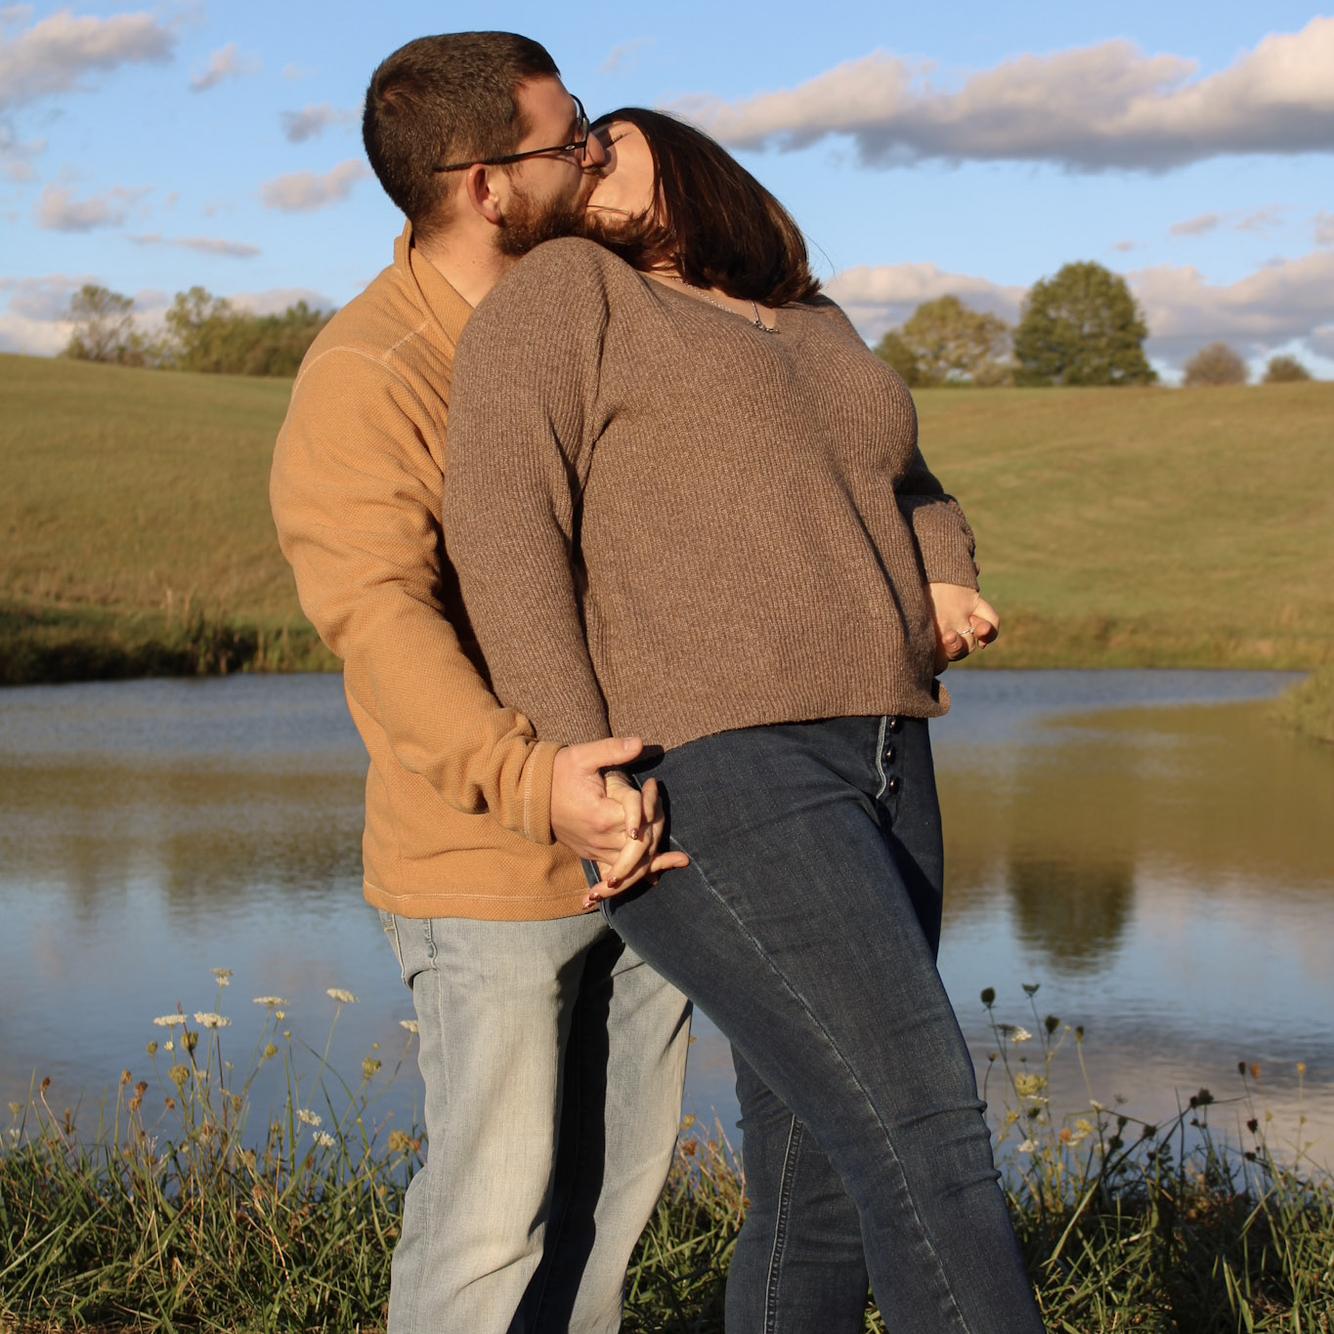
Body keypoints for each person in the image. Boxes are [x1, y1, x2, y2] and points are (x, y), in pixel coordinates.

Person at [443, 107, 1047, 1332]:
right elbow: (503, 525)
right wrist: (576, 755)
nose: (587, 159)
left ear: (692, 157)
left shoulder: (814, 321)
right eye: (575, 153)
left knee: (819, 1173)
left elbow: (907, 477)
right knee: (924, 1117)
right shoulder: (570, 292)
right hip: (714, 761)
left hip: (885, 746)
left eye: (606, 137)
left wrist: (942, 561)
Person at [269, 40, 694, 1334]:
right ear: (485, 186)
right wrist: (531, 779)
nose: (596, 153)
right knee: (491, 1222)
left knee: (612, 1207)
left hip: (655, 838)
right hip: (486, 860)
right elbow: (379, 617)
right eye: (568, 139)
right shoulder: (374, 371)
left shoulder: (611, 317)